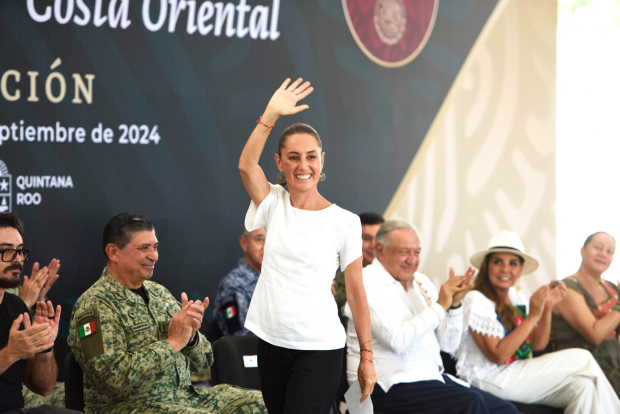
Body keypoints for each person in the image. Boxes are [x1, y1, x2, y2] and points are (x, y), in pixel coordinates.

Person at [238, 78, 376, 413]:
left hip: (320, 348)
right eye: (294, 157)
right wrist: (271, 113)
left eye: (311, 157)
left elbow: (356, 292)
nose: (303, 166)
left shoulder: (345, 221)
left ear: (322, 160)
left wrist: (367, 356)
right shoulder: (272, 202)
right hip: (271, 343)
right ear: (279, 162)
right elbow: (245, 165)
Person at [68, 213, 266, 414]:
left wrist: (190, 338)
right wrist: (172, 343)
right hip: (128, 407)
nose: (154, 256)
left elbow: (204, 360)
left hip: (184, 398)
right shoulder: (95, 305)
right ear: (113, 252)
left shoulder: (159, 293)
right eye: (144, 248)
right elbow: (113, 378)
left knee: (262, 404)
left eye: (155, 247)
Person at [345, 218, 516, 414]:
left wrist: (454, 306)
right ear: (380, 250)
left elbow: (448, 345)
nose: (412, 260)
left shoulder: (421, 282)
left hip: (431, 379)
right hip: (384, 384)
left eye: (416, 252)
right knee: (470, 403)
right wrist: (441, 306)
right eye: (404, 252)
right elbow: (397, 340)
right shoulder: (365, 282)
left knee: (505, 410)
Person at [456, 230, 620, 413]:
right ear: (487, 267)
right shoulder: (476, 299)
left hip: (518, 371)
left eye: (513, 263)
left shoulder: (515, 297)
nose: (505, 269)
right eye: (497, 262)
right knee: (583, 358)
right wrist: (533, 315)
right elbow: (499, 355)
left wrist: (546, 308)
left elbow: (537, 344)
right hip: (490, 378)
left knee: (583, 387)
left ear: (520, 269)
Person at [0, 212, 78, 414]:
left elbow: (43, 387)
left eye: (20, 251)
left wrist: (44, 346)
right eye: (7, 252)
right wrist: (10, 353)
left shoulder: (17, 307)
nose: (17, 259)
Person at [552, 231, 620, 395]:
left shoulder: (612, 288)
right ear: (582, 251)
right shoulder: (566, 288)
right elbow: (594, 335)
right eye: (598, 248)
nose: (603, 254)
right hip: (584, 368)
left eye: (609, 251)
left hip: (614, 361)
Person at [214, 228, 265, 336]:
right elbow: (241, 336)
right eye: (260, 239)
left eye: (271, 240)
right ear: (244, 243)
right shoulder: (234, 284)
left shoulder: (281, 281)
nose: (266, 246)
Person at [332, 212, 384, 314]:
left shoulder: (399, 275)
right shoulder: (346, 279)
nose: (373, 245)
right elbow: (344, 311)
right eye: (366, 238)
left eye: (378, 238)